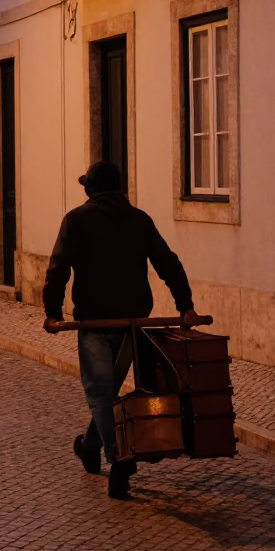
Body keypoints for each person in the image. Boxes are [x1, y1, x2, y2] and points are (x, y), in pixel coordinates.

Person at [42, 161, 199, 499]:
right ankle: (88, 447)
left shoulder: (76, 220)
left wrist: (52, 313)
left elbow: (58, 269)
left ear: (89, 190)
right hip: (133, 323)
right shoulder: (139, 220)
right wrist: (185, 305)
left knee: (100, 394)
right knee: (107, 391)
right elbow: (167, 262)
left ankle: (119, 457)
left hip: (95, 323)